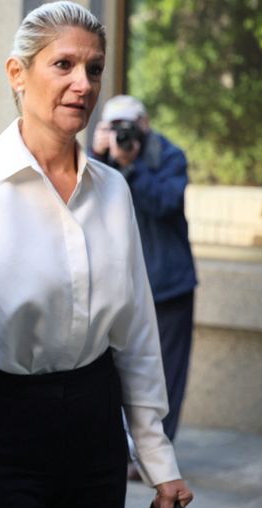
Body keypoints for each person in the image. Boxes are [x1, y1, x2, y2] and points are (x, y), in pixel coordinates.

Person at [0, 3, 193, 508]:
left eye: (94, 69)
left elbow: (136, 334)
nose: (83, 83)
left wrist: (157, 459)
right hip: (1, 438)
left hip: (97, 434)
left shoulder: (114, 189)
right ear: (16, 73)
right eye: (63, 64)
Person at [91, 95, 197, 446]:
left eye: (129, 126)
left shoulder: (168, 156)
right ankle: (119, 445)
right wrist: (95, 156)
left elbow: (166, 203)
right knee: (111, 370)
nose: (123, 135)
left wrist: (132, 167)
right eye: (114, 128)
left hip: (168, 285)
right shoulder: (97, 162)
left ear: (145, 124)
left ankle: (156, 451)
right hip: (119, 286)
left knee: (166, 374)